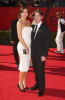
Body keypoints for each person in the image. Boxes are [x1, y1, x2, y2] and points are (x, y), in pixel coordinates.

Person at [29, 9, 50, 96]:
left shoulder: (45, 28)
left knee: (41, 72)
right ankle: (37, 84)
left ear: (41, 17)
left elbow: (47, 43)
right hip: (33, 54)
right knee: (35, 71)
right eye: (35, 16)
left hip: (41, 54)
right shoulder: (33, 27)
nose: (36, 17)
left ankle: (41, 88)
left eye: (38, 16)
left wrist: (44, 55)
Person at [17, 7, 32, 91]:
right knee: (23, 65)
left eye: (27, 12)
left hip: (29, 47)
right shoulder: (19, 23)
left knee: (26, 66)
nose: (26, 13)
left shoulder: (28, 22)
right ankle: (20, 83)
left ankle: (24, 82)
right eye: (24, 12)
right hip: (23, 46)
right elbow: (19, 37)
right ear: (21, 13)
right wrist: (26, 47)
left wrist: (29, 47)